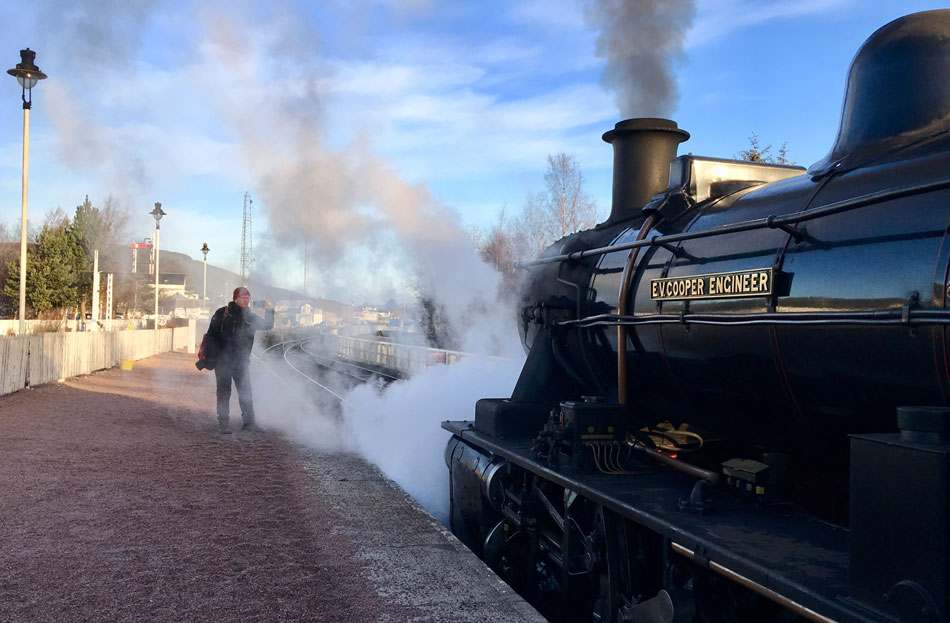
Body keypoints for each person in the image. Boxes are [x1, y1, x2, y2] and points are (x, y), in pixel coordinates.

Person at [205, 286, 275, 434]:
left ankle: (249, 424)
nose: (246, 301)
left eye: (248, 298)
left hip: (241, 363)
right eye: (243, 298)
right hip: (223, 361)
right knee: (224, 393)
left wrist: (269, 310)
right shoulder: (222, 313)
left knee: (246, 393)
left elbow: (267, 325)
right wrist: (210, 357)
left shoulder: (250, 317)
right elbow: (211, 336)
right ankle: (224, 424)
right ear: (235, 298)